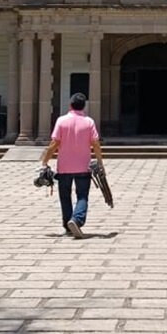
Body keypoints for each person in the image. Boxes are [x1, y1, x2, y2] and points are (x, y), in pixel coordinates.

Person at [40, 93, 106, 238]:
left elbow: (54, 143)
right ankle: (76, 220)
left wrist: (45, 161)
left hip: (64, 167)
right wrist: (100, 162)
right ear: (84, 106)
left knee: (65, 196)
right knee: (82, 196)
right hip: (83, 166)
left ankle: (68, 225)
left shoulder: (61, 121)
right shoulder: (89, 122)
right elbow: (95, 143)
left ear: (70, 105)